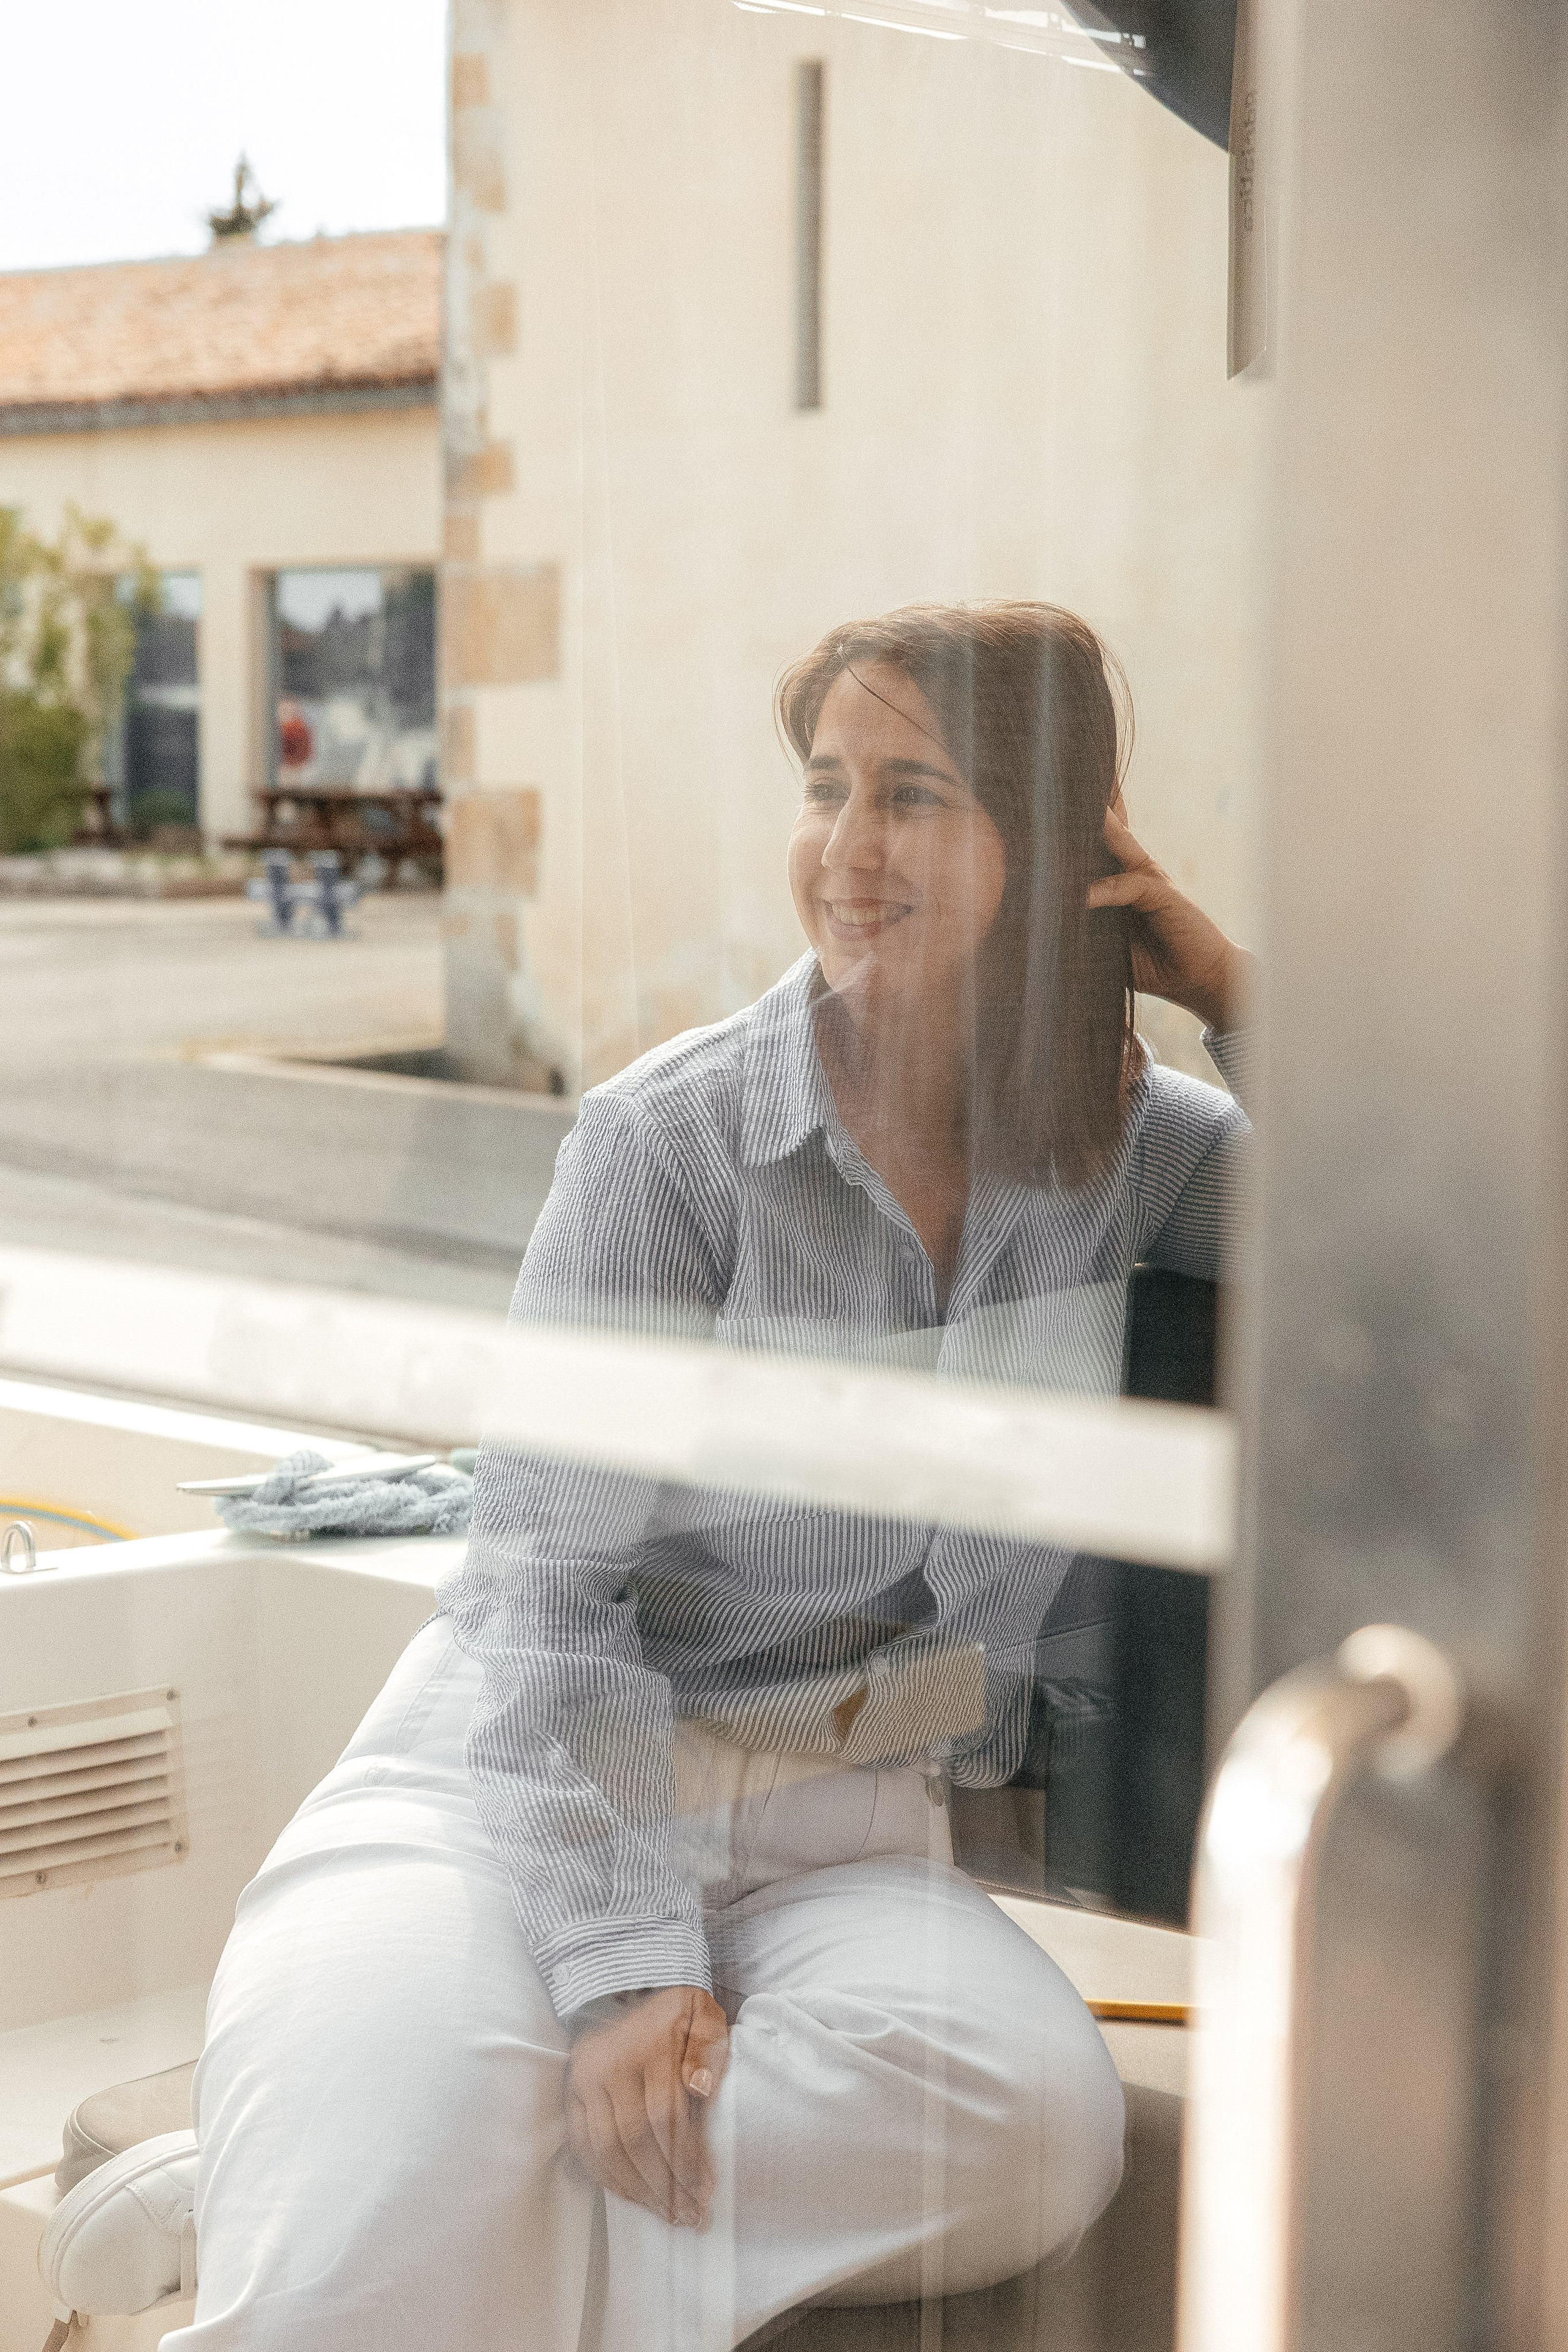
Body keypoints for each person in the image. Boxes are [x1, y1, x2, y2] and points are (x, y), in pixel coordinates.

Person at [168, 602, 1254, 2352]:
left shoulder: (1127, 1145)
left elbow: (1413, 1252)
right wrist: (623, 1968)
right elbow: (540, 1598)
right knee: (342, 2295)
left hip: (848, 1840)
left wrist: (1233, 992)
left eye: (913, 794)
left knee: (1040, 2125)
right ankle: (358, 2171)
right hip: (532, 1786)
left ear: (1047, 849)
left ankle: (375, 2166)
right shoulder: (667, 1144)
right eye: (827, 787)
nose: (845, 847)